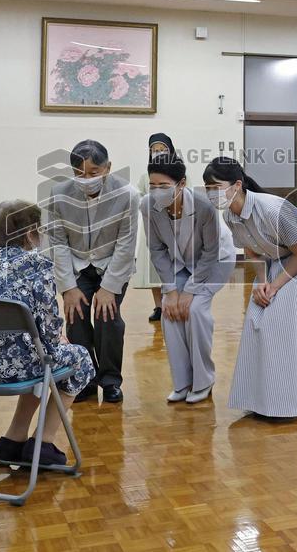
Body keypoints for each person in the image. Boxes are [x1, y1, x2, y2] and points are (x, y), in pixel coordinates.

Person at [203, 156, 297, 418]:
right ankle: (264, 398)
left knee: (285, 322)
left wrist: (274, 287)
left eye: (215, 186)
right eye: (207, 188)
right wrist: (263, 283)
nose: (210, 193)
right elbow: (253, 252)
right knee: (256, 318)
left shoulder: (273, 209)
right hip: (277, 260)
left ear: (237, 185)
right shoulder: (230, 216)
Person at [0, 200, 96, 466]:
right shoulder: (36, 265)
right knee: (79, 360)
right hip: (15, 367)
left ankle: (13, 439)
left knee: (38, 355)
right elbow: (49, 322)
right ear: (30, 232)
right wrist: (57, 338)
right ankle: (42, 443)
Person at [46, 140, 139, 404]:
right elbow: (57, 242)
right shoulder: (59, 193)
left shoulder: (128, 195)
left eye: (93, 172)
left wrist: (109, 288)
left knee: (108, 318)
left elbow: (125, 244)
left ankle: (110, 380)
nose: (86, 179)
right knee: (75, 318)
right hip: (76, 266)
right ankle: (84, 379)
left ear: (108, 168)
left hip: (112, 266)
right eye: (79, 174)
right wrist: (68, 287)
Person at [142, 154, 235, 404]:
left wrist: (190, 290)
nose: (156, 191)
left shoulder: (204, 207)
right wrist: (171, 290)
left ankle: (204, 379)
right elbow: (157, 250)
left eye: (163, 186)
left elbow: (210, 252)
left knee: (194, 310)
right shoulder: (146, 206)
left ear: (181, 183)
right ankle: (182, 382)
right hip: (179, 263)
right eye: (152, 186)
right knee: (170, 312)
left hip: (216, 260)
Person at [136, 134, 177, 322]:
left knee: (173, 266)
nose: (158, 153)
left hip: (174, 226)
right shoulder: (146, 176)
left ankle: (173, 302)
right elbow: (140, 199)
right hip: (152, 225)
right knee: (154, 268)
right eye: (155, 150)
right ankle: (159, 306)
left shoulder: (179, 173)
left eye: (162, 149)